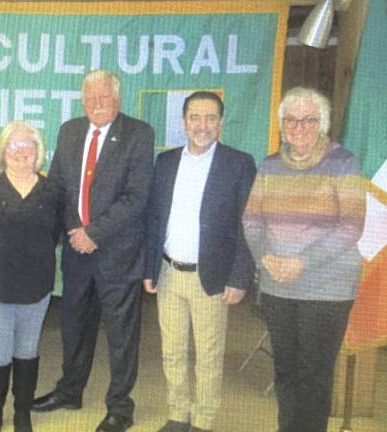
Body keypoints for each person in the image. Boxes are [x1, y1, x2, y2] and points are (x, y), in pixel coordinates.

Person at [32, 69, 154, 432]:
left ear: (117, 100)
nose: (97, 104)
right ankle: (70, 390)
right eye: (90, 98)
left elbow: (137, 196)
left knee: (121, 335)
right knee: (74, 327)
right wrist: (68, 232)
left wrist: (94, 233)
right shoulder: (69, 131)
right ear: (82, 100)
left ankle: (120, 407)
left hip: (118, 251)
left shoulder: (138, 133)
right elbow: (57, 187)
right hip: (75, 251)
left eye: (104, 98)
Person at [242, 87, 366, 432]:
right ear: (282, 124)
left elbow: (351, 226)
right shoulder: (269, 165)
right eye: (291, 119)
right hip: (277, 287)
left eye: (309, 120)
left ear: (322, 124)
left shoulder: (343, 163)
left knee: (313, 376)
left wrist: (301, 263)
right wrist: (266, 257)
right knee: (285, 371)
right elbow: (251, 220)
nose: (299, 127)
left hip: (326, 290)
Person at [142, 91, 256, 432]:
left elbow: (247, 223)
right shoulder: (165, 161)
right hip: (168, 272)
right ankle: (178, 415)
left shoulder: (238, 163)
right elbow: (153, 219)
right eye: (194, 118)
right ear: (183, 122)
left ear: (220, 124)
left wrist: (239, 277)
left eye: (210, 119)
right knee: (172, 352)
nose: (201, 126)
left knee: (208, 356)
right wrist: (149, 268)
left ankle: (203, 421)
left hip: (212, 277)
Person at [0, 121, 62, 432]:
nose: (21, 151)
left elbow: (56, 233)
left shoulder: (52, 191)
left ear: (38, 152)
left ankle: (22, 412)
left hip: (37, 285)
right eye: (14, 145)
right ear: (2, 151)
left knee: (27, 351)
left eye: (28, 145)